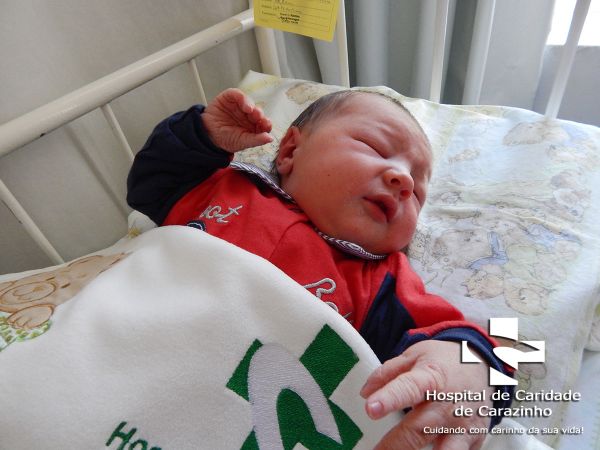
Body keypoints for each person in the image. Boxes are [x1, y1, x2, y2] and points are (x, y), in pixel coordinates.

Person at [127, 87, 513, 449]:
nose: (404, 181)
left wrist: (470, 370)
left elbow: (449, 333)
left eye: (419, 193)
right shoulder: (224, 187)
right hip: (136, 348)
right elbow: (151, 184)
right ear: (290, 151)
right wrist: (201, 135)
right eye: (375, 147)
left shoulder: (379, 280)